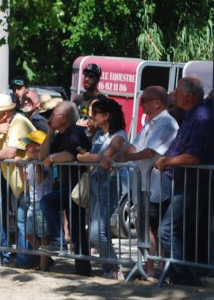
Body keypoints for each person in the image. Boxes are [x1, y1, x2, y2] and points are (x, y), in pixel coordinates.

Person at [155, 76, 214, 285]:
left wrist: (167, 161)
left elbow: (193, 156)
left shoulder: (201, 118)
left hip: (192, 184)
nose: (174, 94)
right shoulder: (191, 115)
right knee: (177, 231)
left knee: (167, 229)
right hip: (183, 182)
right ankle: (180, 276)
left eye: (178, 92)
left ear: (189, 97)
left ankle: (185, 278)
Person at [114, 86, 178, 278]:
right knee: (144, 226)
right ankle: (149, 267)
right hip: (143, 183)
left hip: (156, 186)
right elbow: (136, 145)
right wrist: (122, 154)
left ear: (157, 103)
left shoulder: (166, 122)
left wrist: (124, 158)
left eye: (144, 100)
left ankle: (154, 269)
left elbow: (151, 151)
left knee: (152, 228)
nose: (140, 104)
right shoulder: (151, 122)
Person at [38, 101, 93, 276]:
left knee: (47, 202)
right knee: (77, 229)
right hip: (69, 185)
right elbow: (42, 155)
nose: (50, 117)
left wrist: (53, 158)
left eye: (53, 114)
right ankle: (82, 268)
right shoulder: (61, 134)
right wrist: (50, 131)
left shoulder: (73, 131)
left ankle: (57, 240)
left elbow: (69, 155)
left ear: (63, 118)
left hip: (78, 185)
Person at [76, 96, 128, 279]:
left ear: (106, 115)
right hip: (96, 182)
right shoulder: (98, 135)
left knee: (97, 232)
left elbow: (101, 156)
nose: (92, 117)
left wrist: (83, 157)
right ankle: (110, 269)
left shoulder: (119, 135)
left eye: (96, 114)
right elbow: (97, 156)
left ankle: (114, 266)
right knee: (97, 231)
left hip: (109, 184)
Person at [0, 93, 32, 266]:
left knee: (23, 221)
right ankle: (6, 257)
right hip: (13, 179)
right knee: (15, 219)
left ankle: (26, 260)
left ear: (4, 113)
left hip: (26, 180)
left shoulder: (18, 122)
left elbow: (10, 152)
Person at [19, 131, 53, 271]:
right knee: (29, 233)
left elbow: (39, 180)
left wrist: (37, 162)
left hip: (42, 201)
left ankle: (44, 264)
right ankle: (46, 257)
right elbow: (26, 181)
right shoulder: (30, 163)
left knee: (44, 235)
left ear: (39, 147)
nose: (26, 148)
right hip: (33, 201)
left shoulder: (43, 163)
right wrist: (22, 168)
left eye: (29, 145)